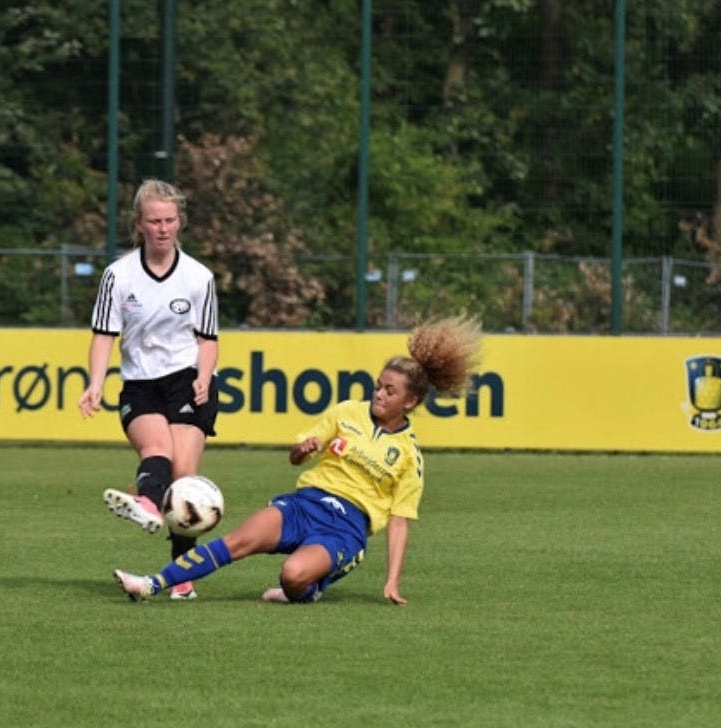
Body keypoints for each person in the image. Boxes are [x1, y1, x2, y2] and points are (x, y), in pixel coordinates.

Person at [114, 315, 482, 605]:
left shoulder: (408, 456)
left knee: (292, 576)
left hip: (346, 528)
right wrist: (301, 450)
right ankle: (151, 584)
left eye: (390, 391)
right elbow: (295, 458)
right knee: (238, 541)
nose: (379, 395)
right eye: (377, 386)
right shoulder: (347, 412)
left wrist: (391, 580)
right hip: (304, 504)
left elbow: (399, 522)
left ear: (411, 402)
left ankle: (312, 585)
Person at [78, 178, 219, 601]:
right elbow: (103, 335)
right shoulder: (117, 276)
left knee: (186, 476)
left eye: (170, 220)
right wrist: (96, 383)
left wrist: (203, 375)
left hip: (187, 380)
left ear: (180, 222)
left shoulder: (198, 277)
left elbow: (208, 339)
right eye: (154, 221)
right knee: (156, 449)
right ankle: (147, 504)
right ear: (139, 224)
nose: (163, 228)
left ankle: (182, 577)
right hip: (139, 383)